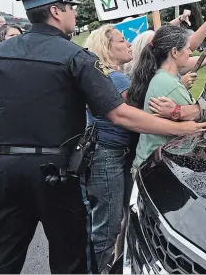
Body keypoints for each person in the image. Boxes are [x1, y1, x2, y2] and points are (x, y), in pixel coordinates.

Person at [0, 0, 206, 274]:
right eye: (70, 6)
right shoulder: (75, 56)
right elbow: (120, 114)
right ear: (56, 11)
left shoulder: (1, 53)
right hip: (55, 174)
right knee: (71, 258)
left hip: (5, 170)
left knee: (3, 256)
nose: (74, 13)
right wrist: (183, 127)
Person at [127, 25, 206, 171]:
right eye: (188, 48)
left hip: (154, 162)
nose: (191, 52)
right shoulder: (170, 83)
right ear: (175, 52)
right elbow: (197, 130)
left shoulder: (166, 78)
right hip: (155, 167)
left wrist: (177, 109)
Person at [83, 25, 137, 272]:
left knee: (107, 221)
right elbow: (139, 114)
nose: (128, 44)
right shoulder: (116, 79)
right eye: (122, 40)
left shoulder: (103, 75)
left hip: (105, 155)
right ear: (107, 47)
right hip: (109, 156)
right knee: (108, 226)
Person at [123, 9, 206, 88]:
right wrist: (178, 86)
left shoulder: (158, 71)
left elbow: (189, 46)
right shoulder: (154, 79)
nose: (189, 52)